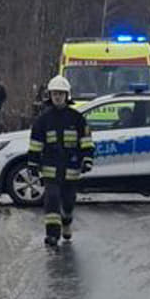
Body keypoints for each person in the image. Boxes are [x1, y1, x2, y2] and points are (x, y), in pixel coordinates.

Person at [27, 75, 95, 247]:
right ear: (50, 95)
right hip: (50, 167)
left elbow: (86, 141)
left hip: (71, 167)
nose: (57, 97)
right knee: (51, 198)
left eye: (61, 94)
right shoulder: (43, 120)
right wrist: (33, 163)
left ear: (67, 95)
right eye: (55, 93)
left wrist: (86, 159)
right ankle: (52, 235)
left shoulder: (77, 118)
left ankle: (67, 221)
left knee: (68, 201)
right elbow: (36, 143)